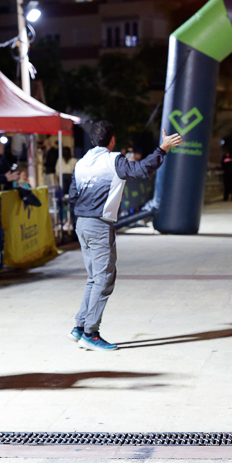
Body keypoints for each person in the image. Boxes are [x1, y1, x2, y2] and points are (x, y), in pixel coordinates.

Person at [68, 121, 183, 350]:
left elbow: (73, 195)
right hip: (99, 225)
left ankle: (80, 327)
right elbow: (141, 170)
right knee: (103, 279)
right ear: (112, 140)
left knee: (94, 278)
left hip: (82, 224)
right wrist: (162, 148)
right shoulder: (113, 160)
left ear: (93, 140)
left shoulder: (81, 163)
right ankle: (90, 333)